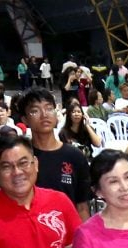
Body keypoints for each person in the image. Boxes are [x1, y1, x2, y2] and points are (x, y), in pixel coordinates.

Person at [20, 88, 92, 220]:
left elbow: (82, 206)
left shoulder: (75, 156)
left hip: (68, 231)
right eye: (35, 110)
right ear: (25, 119)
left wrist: (83, 238)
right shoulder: (21, 159)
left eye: (49, 108)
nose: (44, 115)